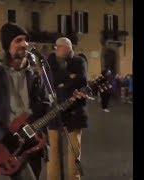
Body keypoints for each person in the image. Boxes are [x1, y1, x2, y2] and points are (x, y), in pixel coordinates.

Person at [0, 23, 87, 180]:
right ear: (7, 46)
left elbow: (45, 106)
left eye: (25, 40)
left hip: (32, 144)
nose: (24, 44)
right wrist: (4, 137)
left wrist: (66, 104)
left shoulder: (34, 76)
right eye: (18, 40)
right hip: (5, 146)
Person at [46, 37, 88, 180]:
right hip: (53, 111)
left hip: (74, 111)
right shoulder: (51, 60)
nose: (55, 49)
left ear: (68, 47)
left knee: (74, 151)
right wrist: (68, 77)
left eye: (58, 46)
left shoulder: (79, 61)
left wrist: (63, 82)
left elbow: (82, 80)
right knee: (53, 152)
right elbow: (50, 80)